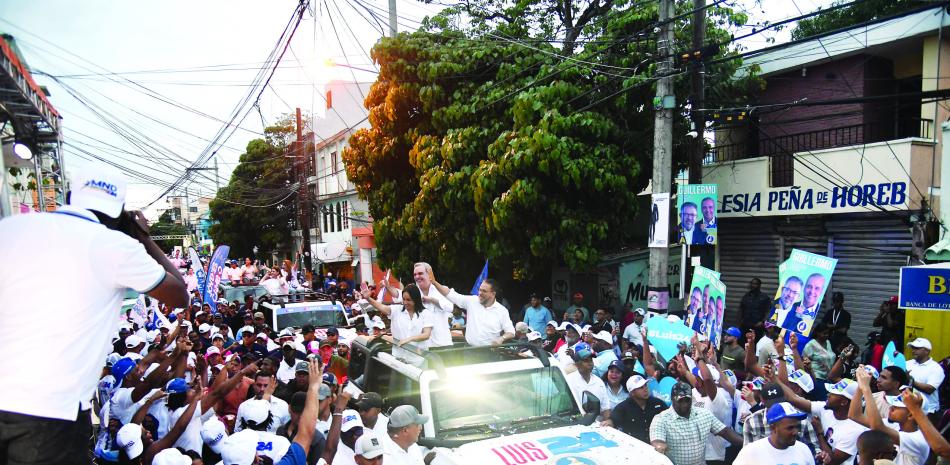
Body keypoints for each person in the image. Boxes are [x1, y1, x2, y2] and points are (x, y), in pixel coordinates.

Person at [0, 165, 189, 464]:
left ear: (70, 196)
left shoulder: (9, 228)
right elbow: (179, 293)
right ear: (120, 214)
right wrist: (144, 238)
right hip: (48, 414)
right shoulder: (114, 246)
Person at [778, 377, 868, 465]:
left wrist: (819, 433)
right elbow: (794, 399)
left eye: (833, 393)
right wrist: (774, 379)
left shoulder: (855, 430)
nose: (828, 394)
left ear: (843, 402)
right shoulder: (825, 408)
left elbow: (832, 462)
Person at [850, 366, 929, 465]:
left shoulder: (918, 439)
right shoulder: (895, 426)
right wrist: (860, 385)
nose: (891, 408)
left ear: (911, 414)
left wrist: (866, 388)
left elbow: (876, 426)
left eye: (897, 407)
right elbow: (854, 415)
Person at [649, 382, 742, 465]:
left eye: (687, 400)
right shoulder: (661, 419)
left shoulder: (704, 414)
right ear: (672, 399)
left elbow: (725, 431)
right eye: (680, 400)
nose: (684, 404)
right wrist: (659, 447)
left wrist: (747, 444)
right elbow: (657, 441)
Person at [429, 272, 514, 347]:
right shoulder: (472, 301)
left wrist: (502, 338)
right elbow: (451, 295)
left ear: (493, 294)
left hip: (490, 353)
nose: (480, 293)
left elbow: (511, 332)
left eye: (484, 291)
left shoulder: (502, 311)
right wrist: (434, 282)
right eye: (479, 290)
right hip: (470, 351)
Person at [361, 282, 433, 366]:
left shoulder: (426, 313)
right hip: (398, 361)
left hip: (419, 360)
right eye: (404, 299)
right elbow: (381, 307)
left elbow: (426, 334)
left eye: (408, 300)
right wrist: (368, 298)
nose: (405, 302)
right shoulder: (396, 310)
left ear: (416, 299)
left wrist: (409, 339)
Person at [742, 383, 820, 451]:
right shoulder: (751, 421)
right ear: (762, 400)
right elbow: (747, 453)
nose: (776, 407)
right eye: (771, 404)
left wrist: (820, 456)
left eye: (779, 402)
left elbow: (814, 449)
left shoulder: (801, 419)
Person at [735, 402, 815, 465]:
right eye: (790, 428)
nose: (795, 432)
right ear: (773, 428)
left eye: (797, 426)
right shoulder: (750, 452)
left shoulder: (804, 450)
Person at [610, 374, 666, 443]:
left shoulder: (658, 404)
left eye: (645, 385)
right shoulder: (622, 408)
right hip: (633, 447)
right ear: (632, 393)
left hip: (656, 445)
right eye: (641, 387)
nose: (645, 389)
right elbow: (612, 422)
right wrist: (609, 422)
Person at [564, 343, 609, 418]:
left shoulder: (599, 382)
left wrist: (607, 421)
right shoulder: (569, 380)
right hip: (576, 422)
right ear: (577, 364)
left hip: (597, 424)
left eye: (591, 360)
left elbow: (606, 408)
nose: (590, 363)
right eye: (586, 361)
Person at [905, 337, 945, 417]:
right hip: (908, 407)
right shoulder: (908, 363)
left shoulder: (936, 368)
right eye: (913, 348)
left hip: (928, 411)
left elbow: (929, 389)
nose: (913, 351)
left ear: (927, 351)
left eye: (917, 349)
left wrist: (911, 381)